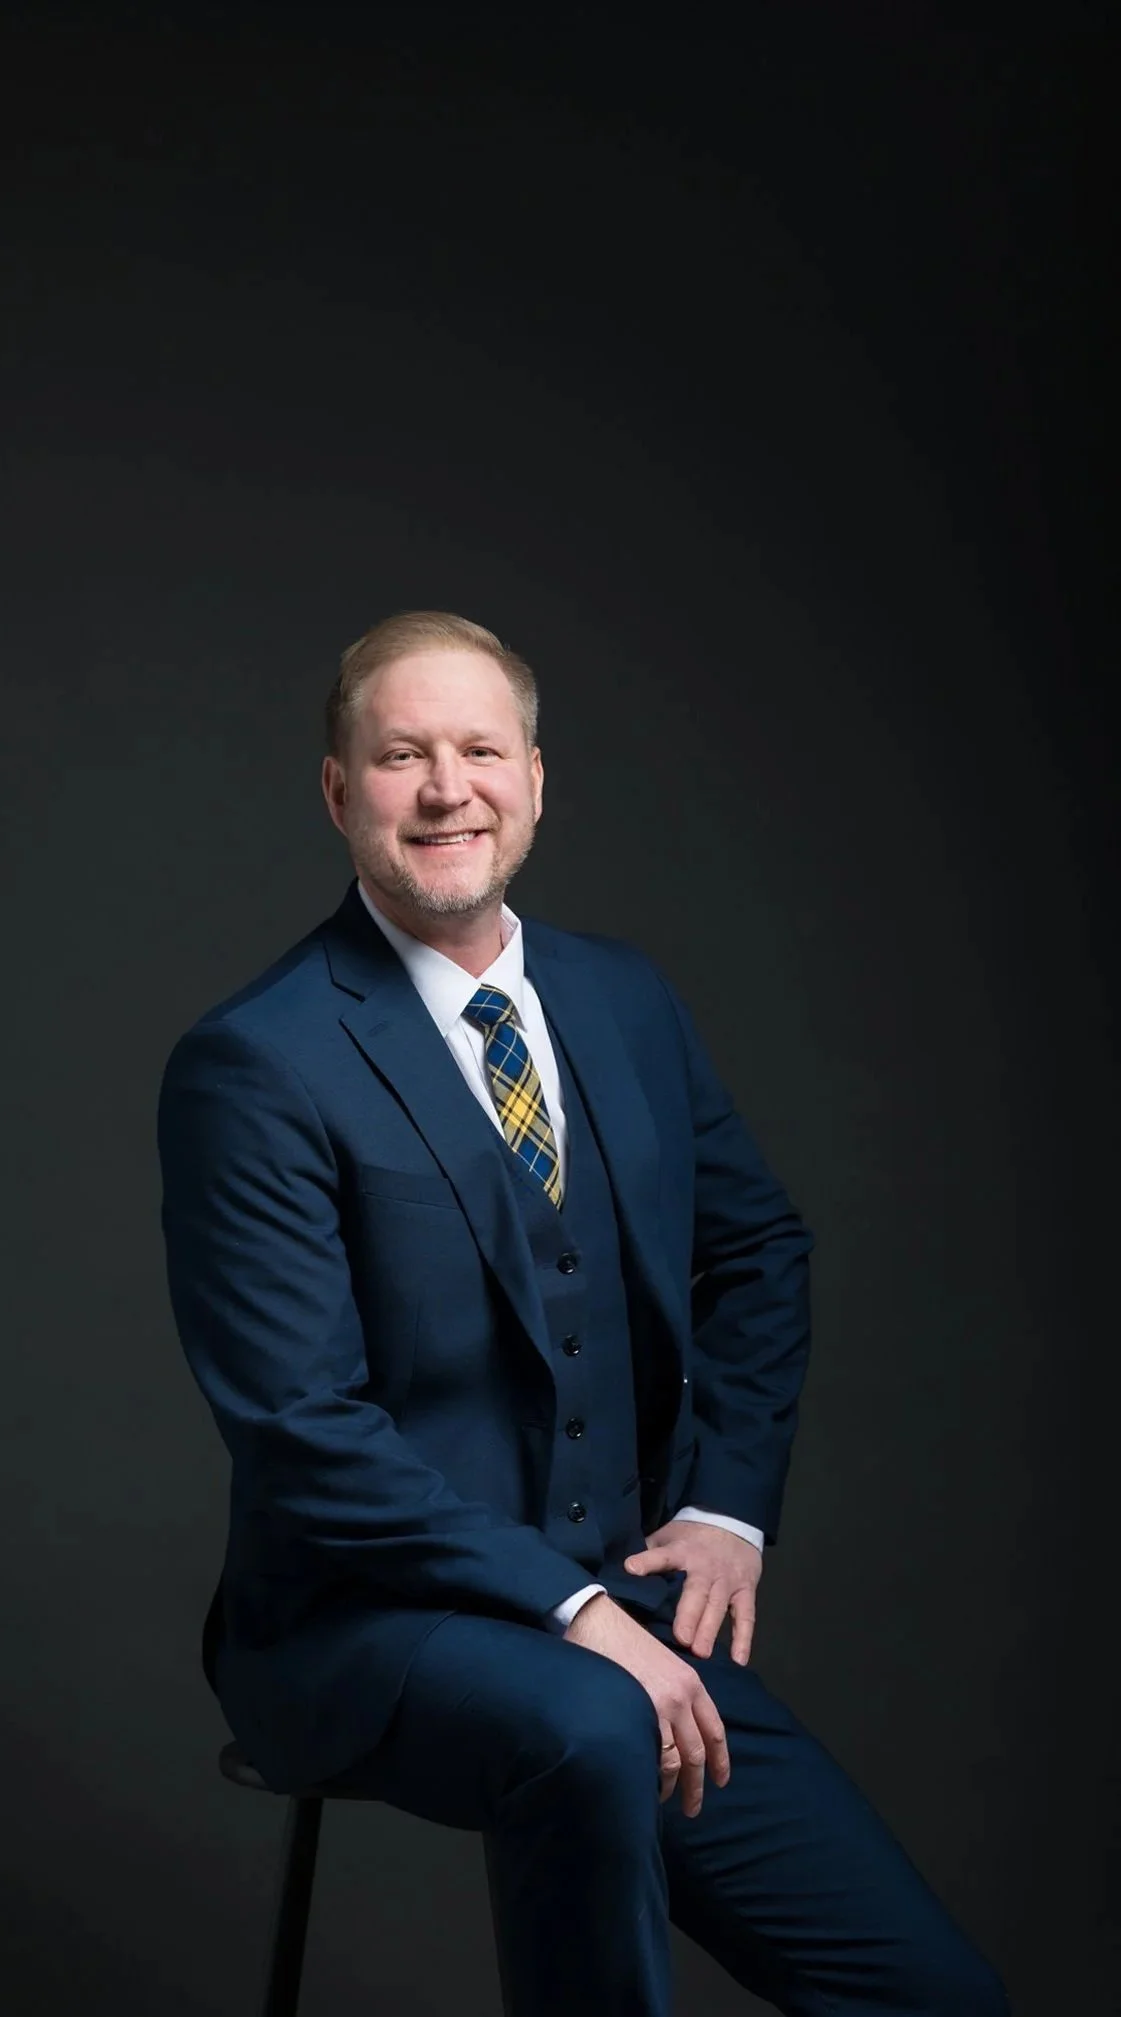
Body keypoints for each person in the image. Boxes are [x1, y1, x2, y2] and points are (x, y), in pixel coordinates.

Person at [157, 611, 1007, 2016]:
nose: (447, 790)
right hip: (365, 1627)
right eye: (403, 757)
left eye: (481, 751)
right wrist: (571, 1610)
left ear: (537, 780)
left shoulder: (624, 999)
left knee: (940, 1998)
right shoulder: (255, 1062)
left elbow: (760, 1250)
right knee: (592, 1726)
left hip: (624, 1619)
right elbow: (299, 1430)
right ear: (339, 790)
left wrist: (729, 1508)